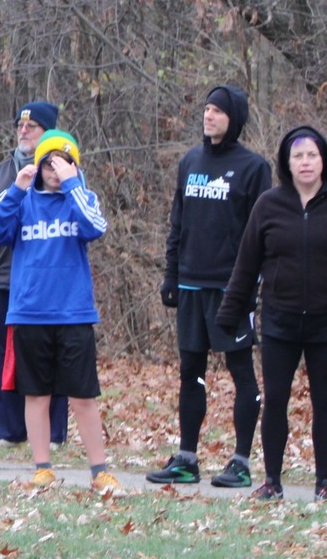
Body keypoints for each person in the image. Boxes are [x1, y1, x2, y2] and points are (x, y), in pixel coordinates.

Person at [0, 130, 118, 491]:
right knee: (36, 394)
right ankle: (42, 466)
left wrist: (73, 185)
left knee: (83, 396)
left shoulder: (81, 198)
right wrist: (16, 189)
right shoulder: (22, 201)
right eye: (50, 162)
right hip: (28, 313)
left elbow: (95, 227)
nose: (56, 169)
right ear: (39, 164)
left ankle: (99, 470)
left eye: (64, 162)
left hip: (73, 314)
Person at [149, 85, 268, 488]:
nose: (209, 116)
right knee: (190, 371)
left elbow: (261, 234)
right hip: (190, 285)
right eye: (206, 109)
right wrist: (170, 274)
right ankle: (186, 458)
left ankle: (241, 462)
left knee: (239, 370)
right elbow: (177, 223)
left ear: (233, 118)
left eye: (217, 110)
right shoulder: (190, 161)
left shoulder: (253, 168)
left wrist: (251, 287)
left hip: (230, 287)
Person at [217, 126, 327, 501]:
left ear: (322, 159)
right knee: (275, 401)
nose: (305, 162)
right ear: (287, 162)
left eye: (312, 154)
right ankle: (273, 482)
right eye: (298, 156)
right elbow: (246, 266)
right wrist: (228, 315)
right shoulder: (268, 204)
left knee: (323, 404)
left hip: (324, 325)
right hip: (279, 321)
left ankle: (324, 483)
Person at [0, 102, 69, 448]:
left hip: (50, 283)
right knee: (6, 356)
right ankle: (10, 430)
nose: (24, 131)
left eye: (32, 126)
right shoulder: (3, 171)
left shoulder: (60, 172)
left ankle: (52, 432)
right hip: (6, 277)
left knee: (51, 355)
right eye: (20, 125)